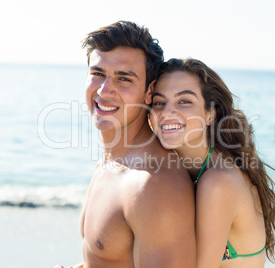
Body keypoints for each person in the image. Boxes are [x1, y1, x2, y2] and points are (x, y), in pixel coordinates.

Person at [56, 22, 196, 268]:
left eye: (124, 79)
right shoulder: (110, 163)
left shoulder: (154, 186)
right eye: (98, 74)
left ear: (149, 91)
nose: (104, 90)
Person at [150, 58, 275, 268]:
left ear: (210, 113)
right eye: (159, 103)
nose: (167, 112)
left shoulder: (219, 182)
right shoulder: (177, 169)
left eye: (184, 101)